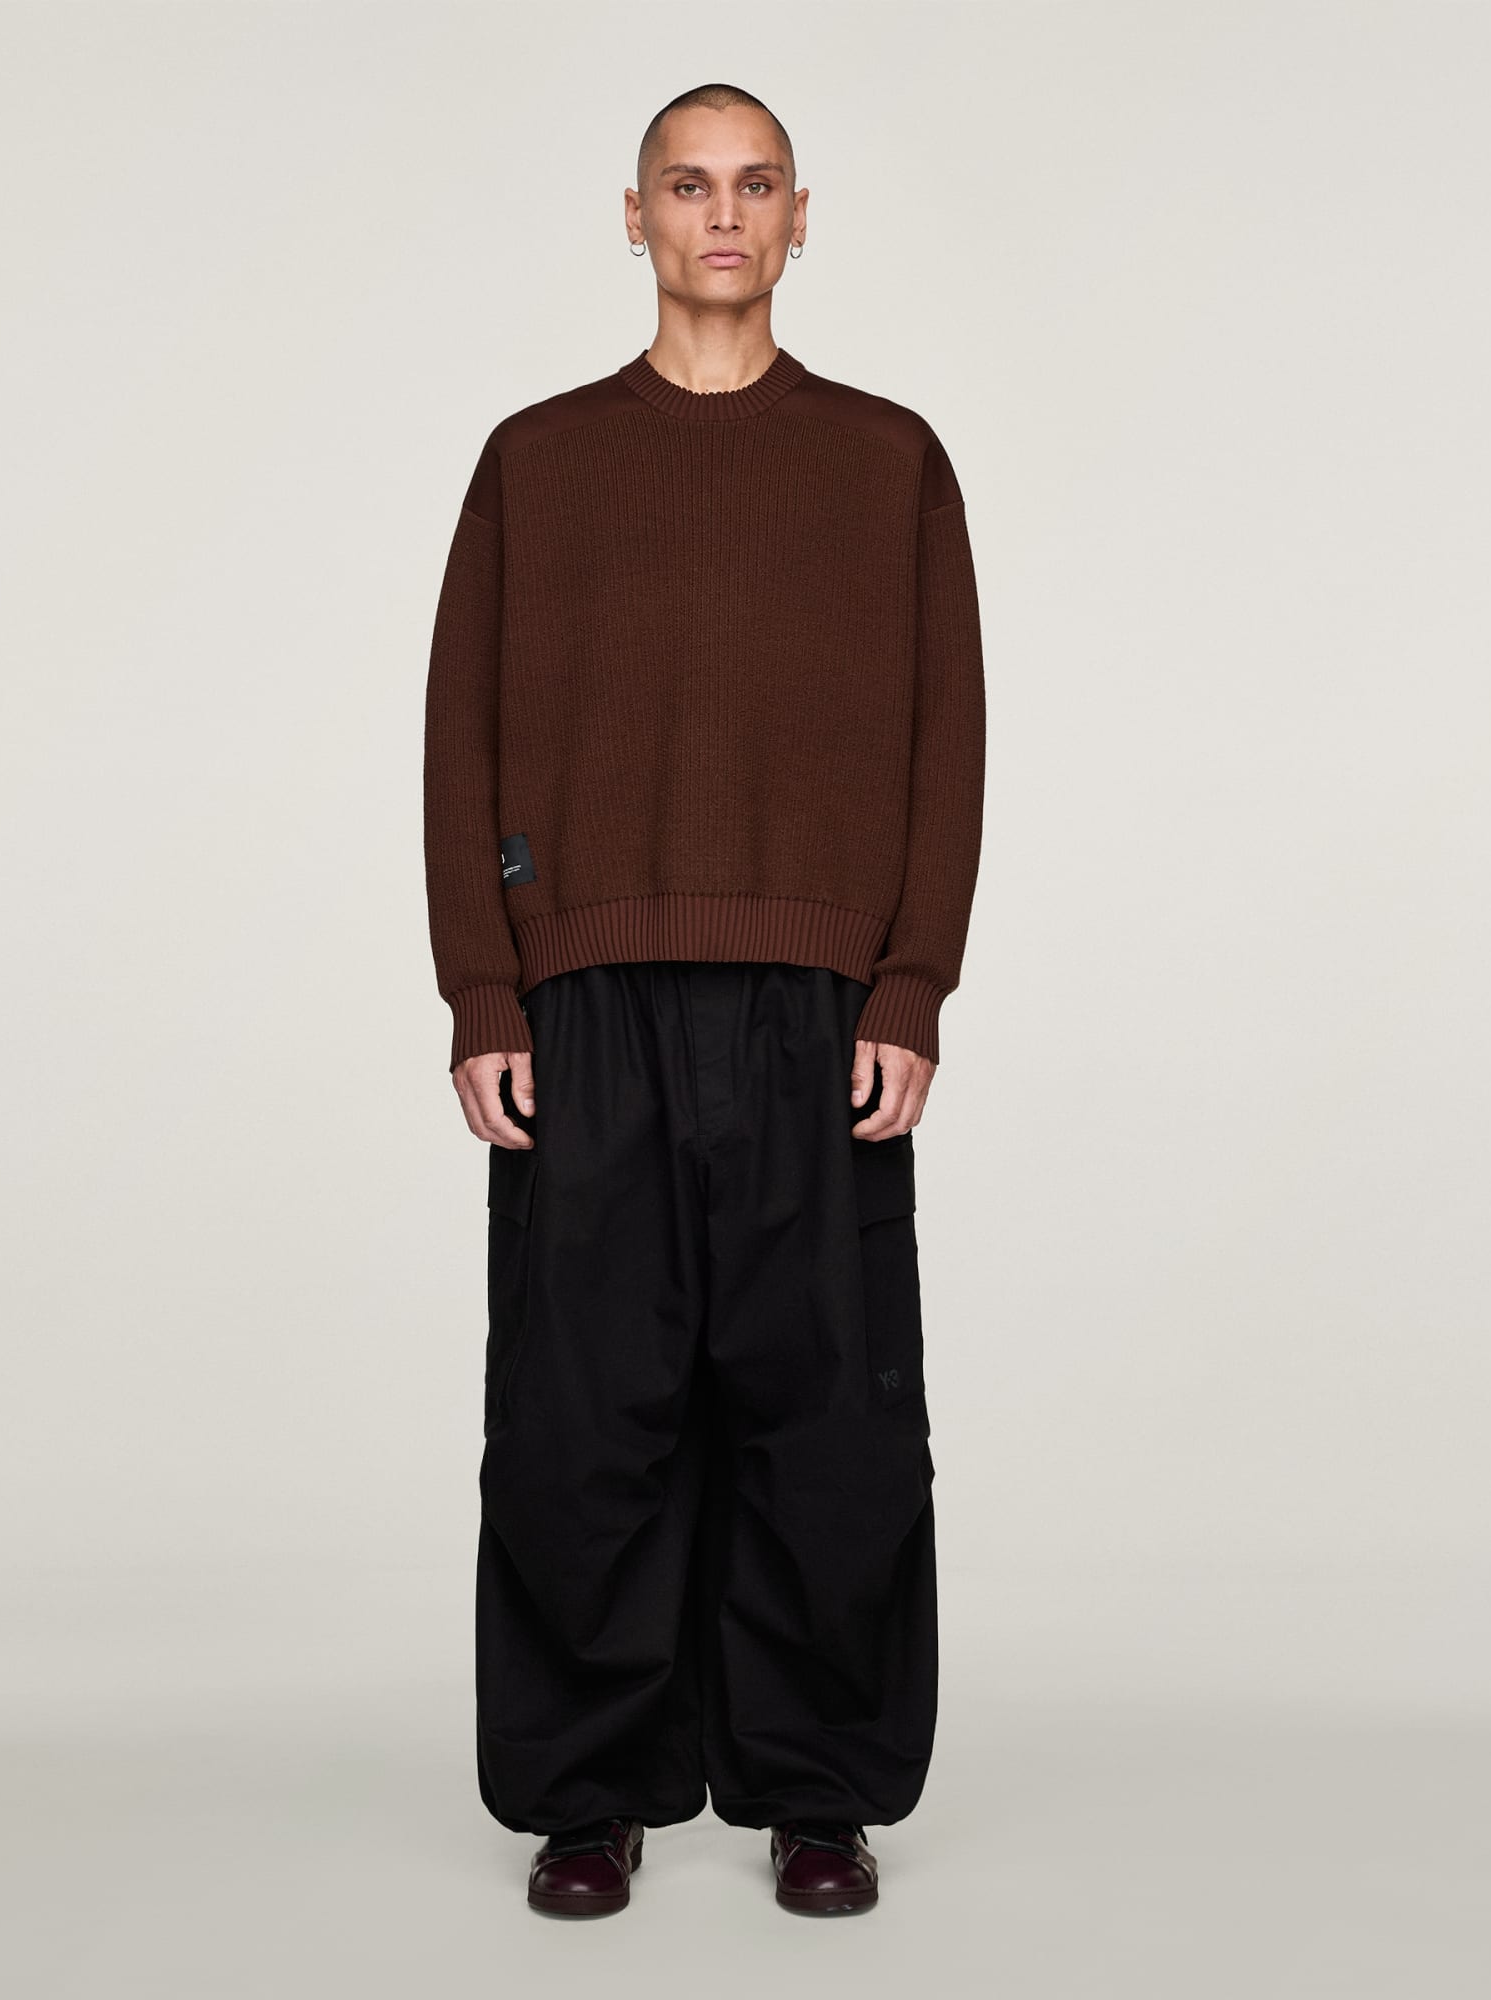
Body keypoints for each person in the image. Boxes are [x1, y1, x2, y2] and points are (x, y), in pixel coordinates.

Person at [420, 80, 986, 1919]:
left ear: (801, 218)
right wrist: (482, 991)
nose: (723, 215)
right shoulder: (537, 461)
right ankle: (591, 1795)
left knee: (827, 1418)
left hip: (820, 1005)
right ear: (638, 217)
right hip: (587, 998)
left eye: (756, 186)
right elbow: (456, 735)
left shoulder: (888, 462)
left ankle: (817, 1791)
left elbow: (951, 742)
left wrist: (912, 984)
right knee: (583, 1414)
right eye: (689, 184)